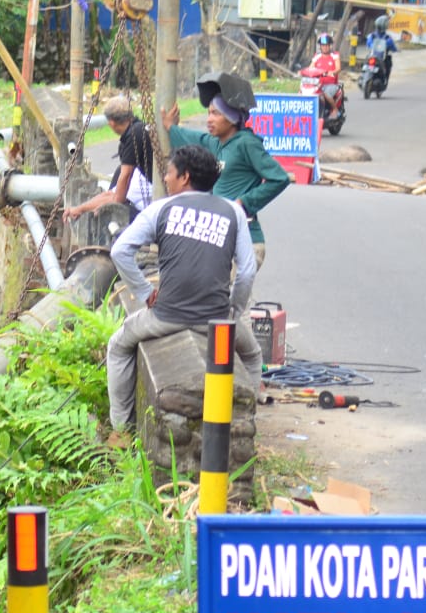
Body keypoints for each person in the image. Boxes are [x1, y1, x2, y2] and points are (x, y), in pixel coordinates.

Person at [106, 145, 262, 434]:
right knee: (252, 356)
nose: (165, 179)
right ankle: (247, 426)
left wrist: (143, 292)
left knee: (117, 346)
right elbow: (247, 271)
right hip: (216, 321)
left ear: (185, 176)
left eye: (169, 173)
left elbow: (120, 252)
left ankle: (121, 428)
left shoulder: (161, 209)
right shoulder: (233, 212)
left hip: (165, 317)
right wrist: (233, 311)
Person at [162, 72, 290, 268]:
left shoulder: (247, 143)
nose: (209, 119)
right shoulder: (216, 143)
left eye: (216, 113)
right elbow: (192, 138)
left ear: (232, 118)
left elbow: (279, 178)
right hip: (221, 238)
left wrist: (244, 202)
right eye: (208, 113)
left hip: (246, 240)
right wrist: (171, 128)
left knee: (223, 294)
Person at [61, 95, 154, 221]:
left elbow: (125, 177)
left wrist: (113, 205)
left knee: (114, 196)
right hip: (148, 177)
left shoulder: (133, 135)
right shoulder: (138, 127)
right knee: (110, 194)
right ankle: (78, 210)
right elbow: (110, 194)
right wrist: (80, 209)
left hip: (150, 183)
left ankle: (78, 210)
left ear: (111, 122)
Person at [309, 33, 343, 120]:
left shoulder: (335, 55)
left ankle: (335, 109)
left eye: (327, 45)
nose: (325, 47)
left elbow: (338, 68)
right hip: (318, 84)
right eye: (323, 45)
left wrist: (330, 72)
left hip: (331, 84)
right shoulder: (317, 56)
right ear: (320, 46)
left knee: (326, 94)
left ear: (330, 46)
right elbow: (310, 68)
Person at [365, 15, 398, 82]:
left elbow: (368, 44)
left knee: (366, 61)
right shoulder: (387, 38)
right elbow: (393, 48)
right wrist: (396, 50)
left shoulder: (371, 36)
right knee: (388, 63)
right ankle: (385, 80)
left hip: (372, 56)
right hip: (381, 58)